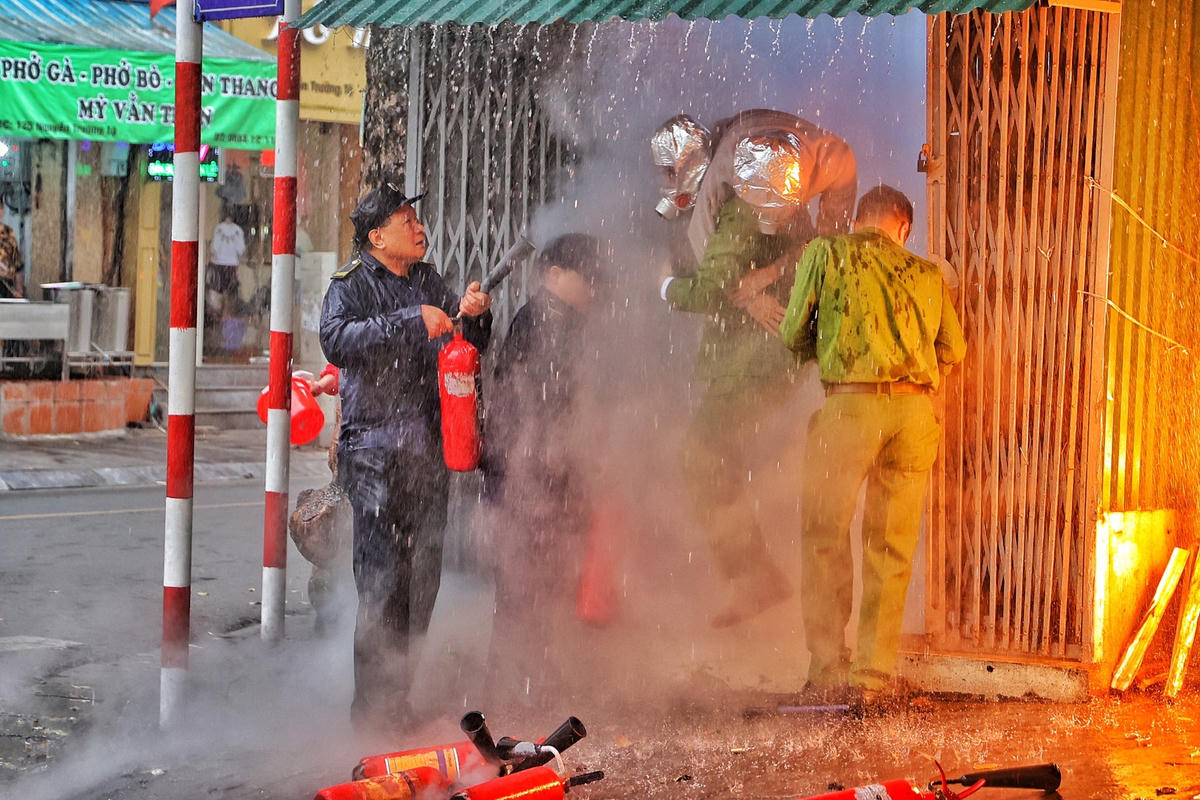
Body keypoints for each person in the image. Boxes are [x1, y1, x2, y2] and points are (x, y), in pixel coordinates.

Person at [654, 111, 857, 628]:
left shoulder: (738, 199)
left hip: (761, 352)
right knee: (715, 455)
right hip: (763, 347)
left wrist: (663, 287)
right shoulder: (761, 169)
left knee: (702, 454)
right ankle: (761, 580)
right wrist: (761, 285)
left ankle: (758, 579)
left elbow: (710, 287)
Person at [779, 185, 966, 708]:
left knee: (824, 537)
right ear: (903, 228)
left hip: (849, 408)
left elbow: (794, 333)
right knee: (890, 547)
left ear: (861, 218)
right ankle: (872, 678)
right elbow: (953, 349)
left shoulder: (827, 253)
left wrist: (834, 346)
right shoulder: (927, 274)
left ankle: (827, 668)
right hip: (913, 416)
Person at [319, 178, 492, 733]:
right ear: (376, 236)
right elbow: (335, 340)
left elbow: (467, 342)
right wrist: (409, 320)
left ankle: (400, 698)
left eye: (417, 220)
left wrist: (474, 313)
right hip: (373, 456)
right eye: (406, 221)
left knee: (422, 581)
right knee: (381, 584)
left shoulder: (425, 277)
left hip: (427, 452)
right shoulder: (350, 284)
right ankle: (372, 715)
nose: (420, 228)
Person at [479, 233, 606, 704]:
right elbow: (533, 408)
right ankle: (514, 690)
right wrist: (545, 468)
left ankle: (528, 682)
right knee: (521, 585)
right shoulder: (542, 321)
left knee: (538, 584)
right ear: (555, 275)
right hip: (525, 478)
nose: (594, 287)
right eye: (586, 277)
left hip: (538, 475)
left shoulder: (562, 320)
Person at [206, 212, 246, 352]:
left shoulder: (221, 230)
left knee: (223, 300)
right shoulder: (235, 231)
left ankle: (224, 331)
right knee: (227, 299)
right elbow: (241, 250)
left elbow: (214, 248)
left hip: (221, 265)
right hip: (229, 266)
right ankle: (224, 329)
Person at [0, 207, 25, 299]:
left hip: (6, 286)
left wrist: (19, 289)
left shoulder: (8, 233)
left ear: (1, 212)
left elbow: (17, 262)